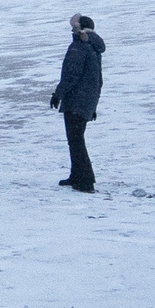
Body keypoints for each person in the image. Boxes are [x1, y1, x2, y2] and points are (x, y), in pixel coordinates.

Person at [49, 13, 104, 192]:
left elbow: (71, 75)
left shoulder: (79, 47)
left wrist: (58, 94)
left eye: (74, 27)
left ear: (80, 28)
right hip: (87, 100)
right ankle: (77, 176)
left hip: (76, 100)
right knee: (76, 139)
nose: (71, 30)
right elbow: (98, 79)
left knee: (76, 140)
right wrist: (93, 104)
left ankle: (85, 181)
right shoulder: (93, 47)